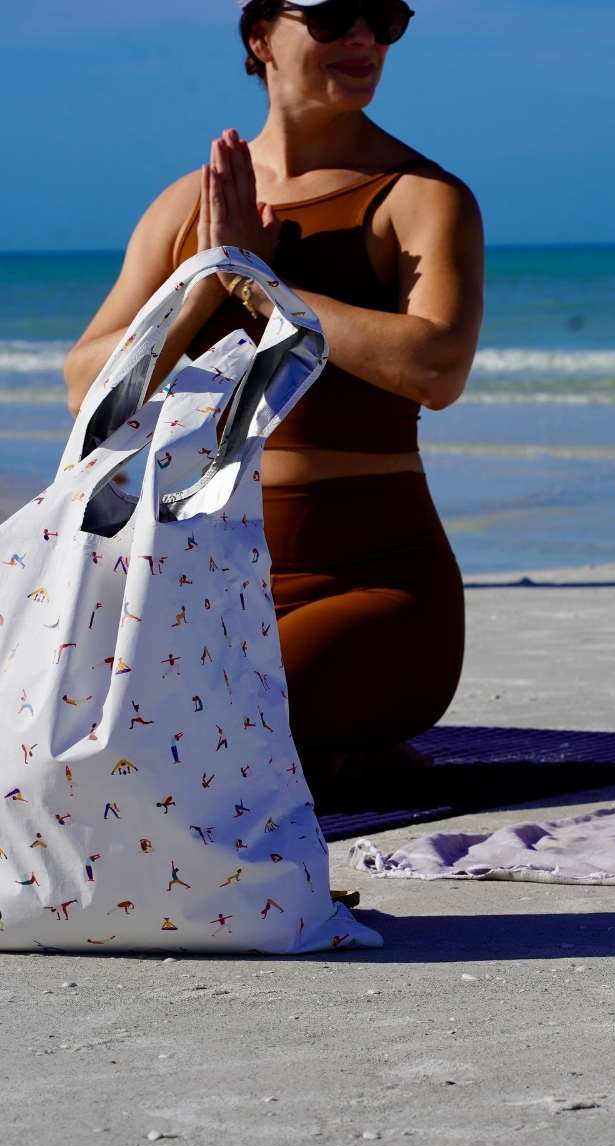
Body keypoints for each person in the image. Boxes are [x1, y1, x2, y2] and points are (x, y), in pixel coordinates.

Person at [64, 0, 484, 799]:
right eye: (333, 16)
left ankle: (336, 739)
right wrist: (206, 281)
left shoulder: (420, 196)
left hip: (371, 586)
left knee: (183, 742)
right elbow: (90, 389)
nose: (363, 37)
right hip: (199, 585)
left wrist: (264, 288)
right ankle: (333, 754)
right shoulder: (192, 203)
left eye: (385, 18)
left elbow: (437, 367)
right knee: (60, 730)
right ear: (261, 37)